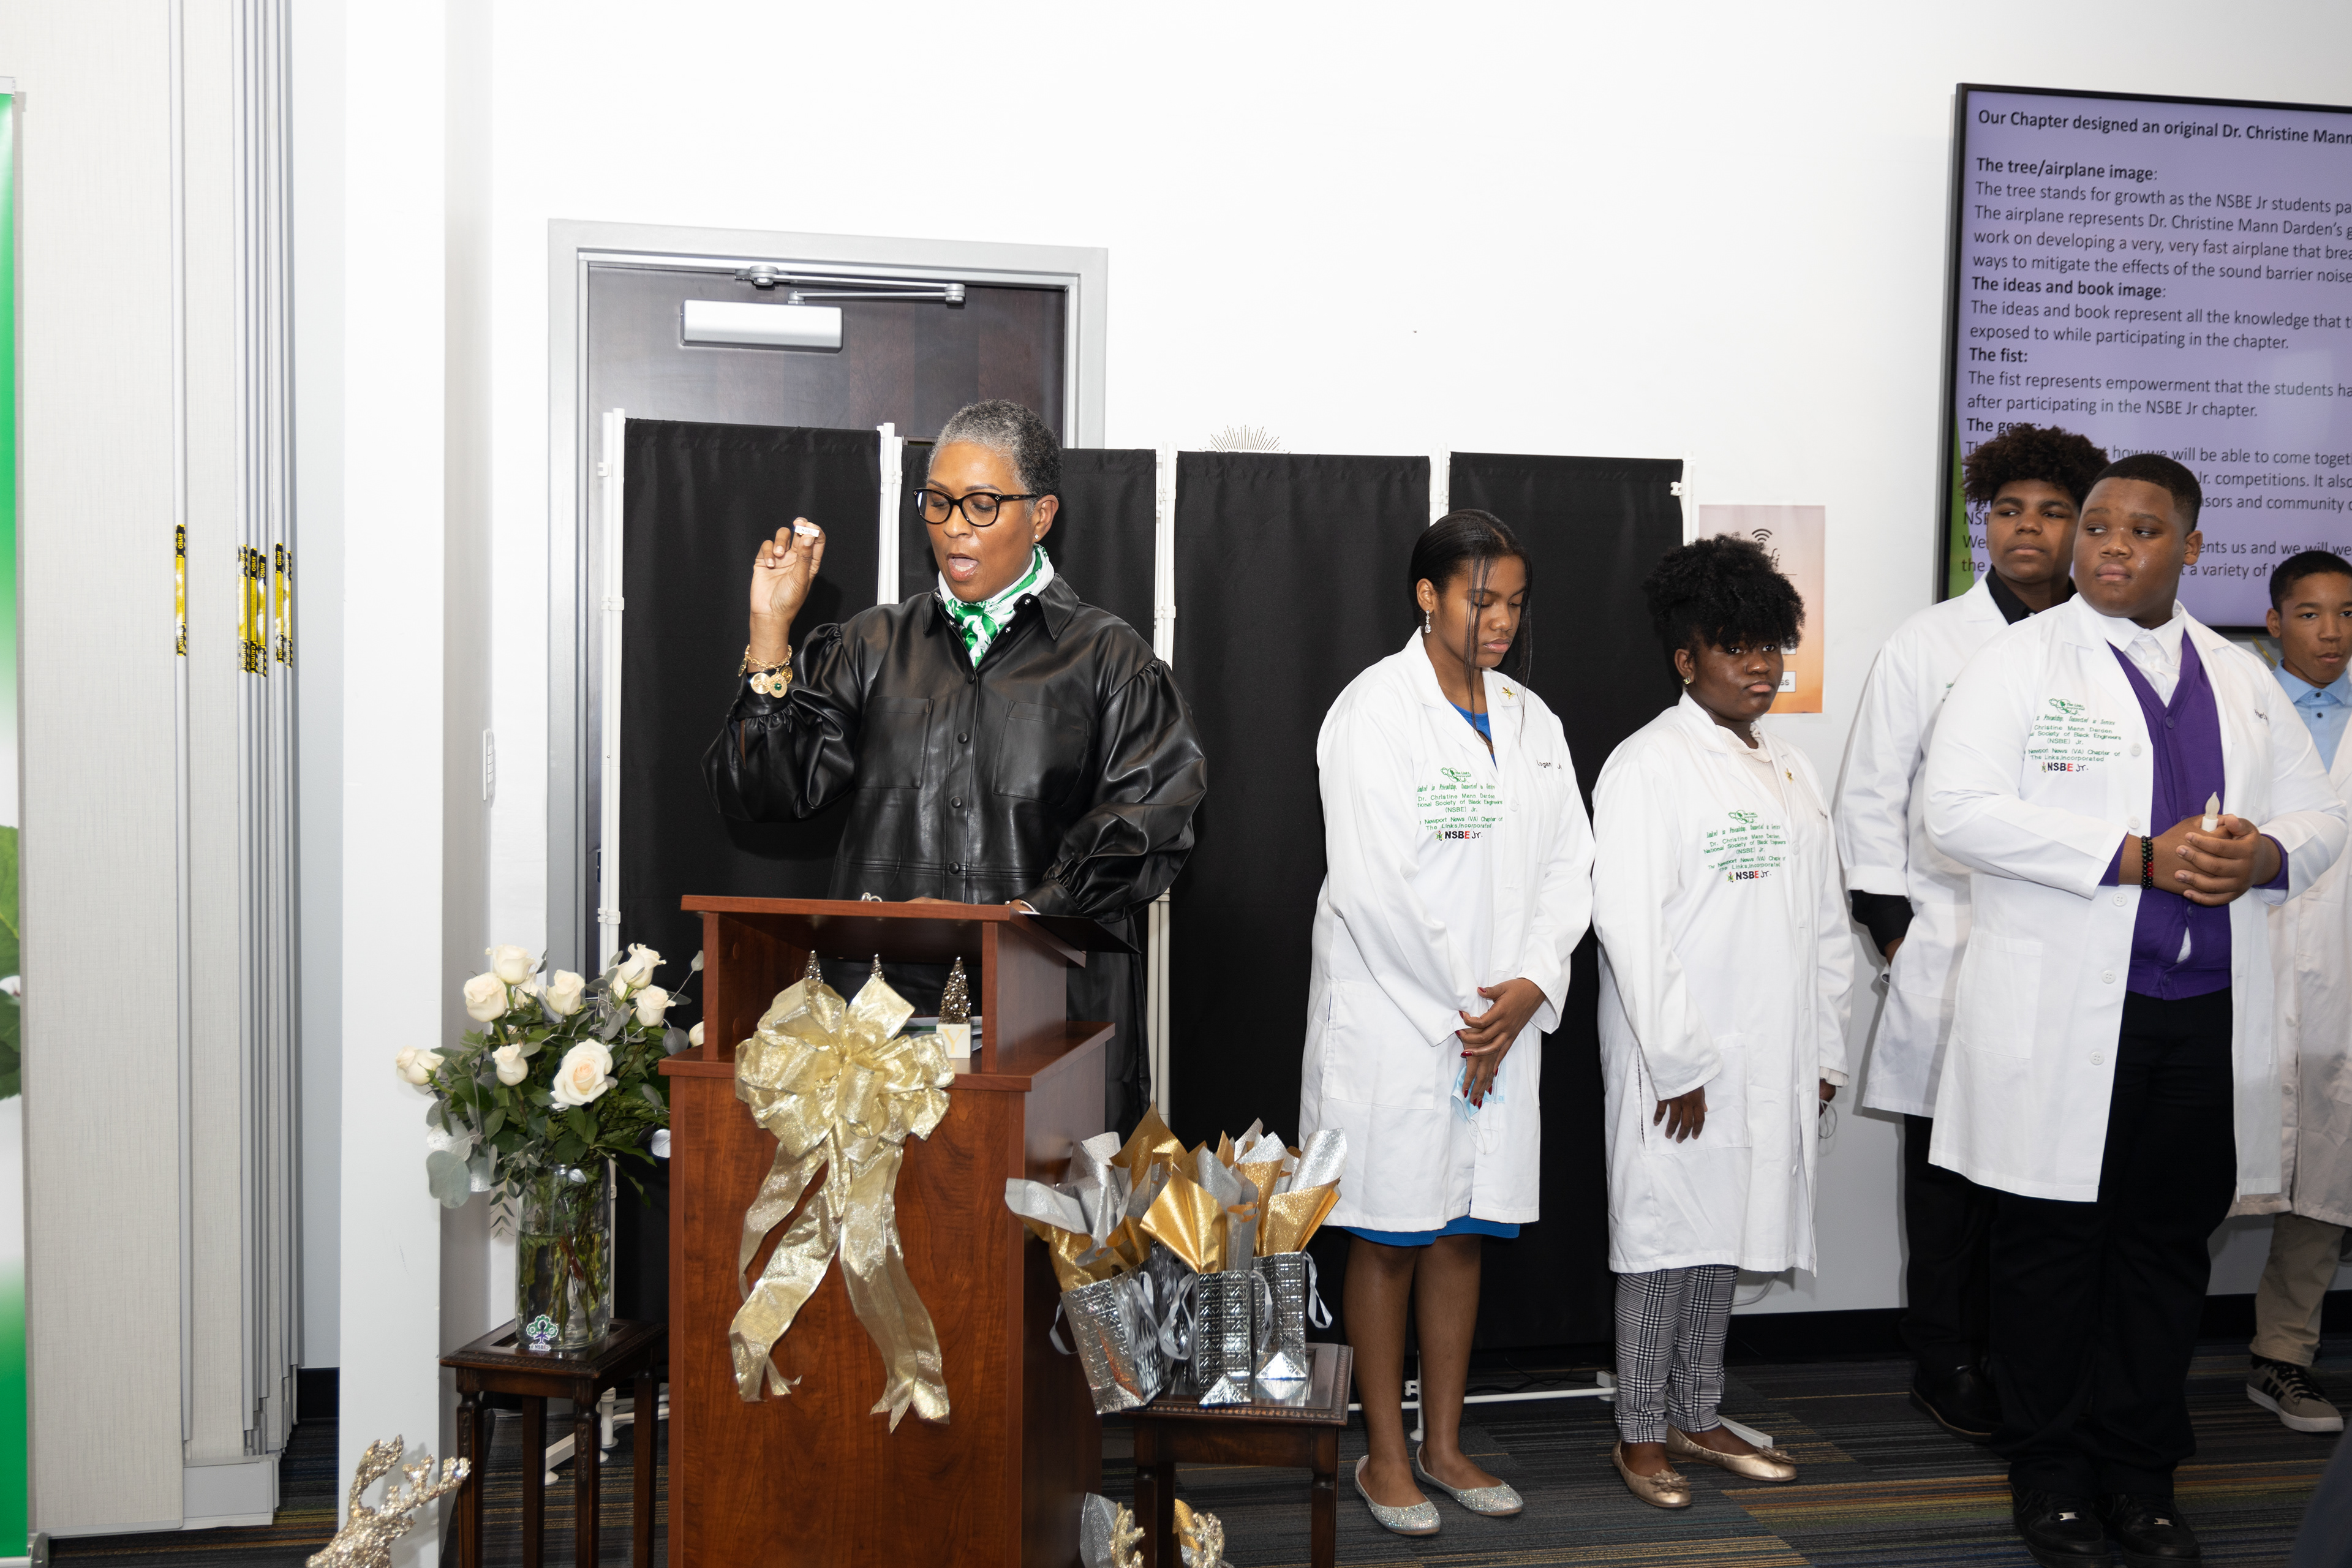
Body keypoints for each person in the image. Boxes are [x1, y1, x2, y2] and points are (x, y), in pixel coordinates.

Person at [1923, 454, 2347, 1567]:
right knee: (2054, 1253)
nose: (2109, 546)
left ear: (2190, 550)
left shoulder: (2241, 676)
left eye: (2140, 530)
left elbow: (2316, 814)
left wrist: (2263, 851)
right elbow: (1952, 811)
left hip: (2201, 1015)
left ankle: (2142, 1478)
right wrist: (2127, 858)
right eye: (2096, 527)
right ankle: (2054, 1477)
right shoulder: (2019, 663)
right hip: (2067, 1019)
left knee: (2165, 1254)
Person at [702, 399, 1208, 1128]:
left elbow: (1151, 814)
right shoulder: (870, 645)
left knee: (1025, 1239)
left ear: (1040, 516)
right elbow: (759, 791)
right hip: (874, 1029)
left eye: (981, 504)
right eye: (938, 503)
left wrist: (1024, 921)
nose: (955, 527)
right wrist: (771, 634)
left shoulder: (1108, 659)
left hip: (1042, 1023)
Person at [1297, 511, 1593, 1537]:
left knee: (1463, 1234)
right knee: (1389, 1233)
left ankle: (1446, 1440)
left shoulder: (1533, 722)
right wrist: (1472, 1016)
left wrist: (1529, 987)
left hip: (1498, 1025)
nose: (1501, 619)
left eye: (1515, 601)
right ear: (1429, 597)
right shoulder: (1371, 713)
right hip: (1403, 1020)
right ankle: (1382, 1454)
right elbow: (1376, 889)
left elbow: (1570, 869)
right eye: (1482, 599)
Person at [1835, 423, 2108, 1441]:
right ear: (1981, 522)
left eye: (2049, 510)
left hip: (2073, 950)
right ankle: (1945, 1358)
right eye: (2007, 509)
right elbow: (1870, 798)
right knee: (1949, 1182)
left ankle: (2025, 1355)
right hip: (1950, 948)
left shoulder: (2105, 645)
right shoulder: (1929, 643)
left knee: (2045, 1174)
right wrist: (1897, 932)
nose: (2026, 528)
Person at [1591, 535, 1852, 1510]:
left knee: (1722, 1239)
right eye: (1735, 646)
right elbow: (1629, 925)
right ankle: (1639, 1434)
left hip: (1772, 1054)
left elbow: (1825, 919)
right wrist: (1678, 1061)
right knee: (1666, 1240)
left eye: (1772, 647)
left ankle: (1698, 1411)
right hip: (1686, 1062)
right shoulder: (1647, 766)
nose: (1759, 666)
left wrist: (1823, 1051)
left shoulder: (1791, 769)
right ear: (1685, 657)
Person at [2239, 549, 2352, 1435]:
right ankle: (2139, 1358)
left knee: (2325, 1174)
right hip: (2244, 970)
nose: (2333, 633)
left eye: (2348, 615)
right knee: (2199, 1173)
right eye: (2311, 615)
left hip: (2340, 981)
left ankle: (2283, 1357)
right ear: (2275, 623)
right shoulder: (2240, 711)